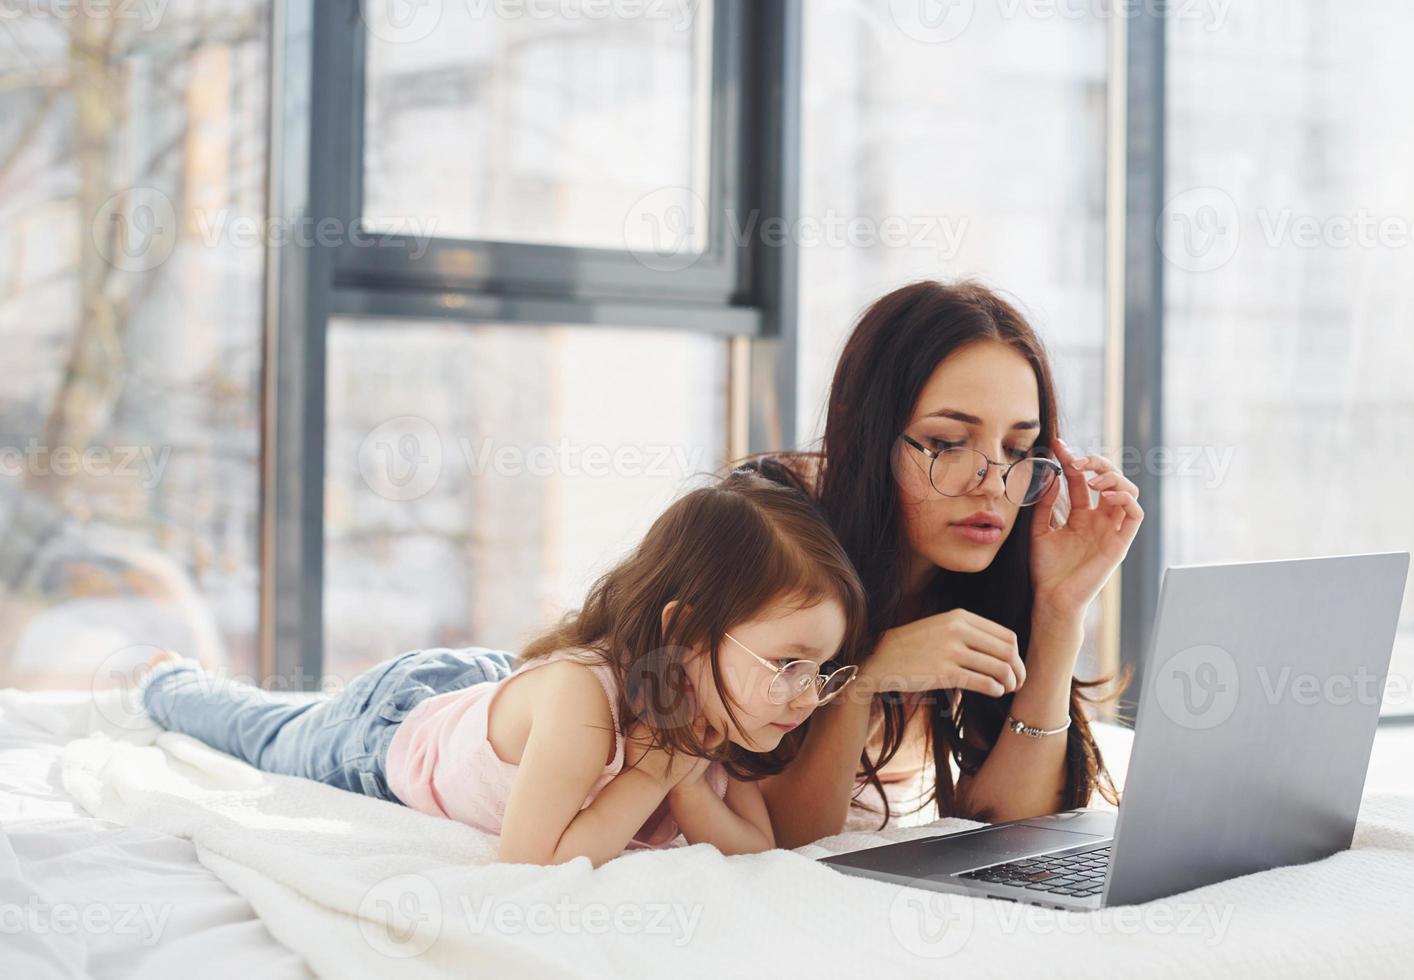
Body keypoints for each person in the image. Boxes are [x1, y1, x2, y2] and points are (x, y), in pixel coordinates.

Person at [140, 470, 867, 866]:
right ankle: (173, 681)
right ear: (686, 633)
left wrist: (687, 791)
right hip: (394, 726)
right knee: (272, 733)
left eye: (822, 668)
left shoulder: (720, 704)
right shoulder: (590, 705)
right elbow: (531, 864)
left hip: (497, 699)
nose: (806, 695)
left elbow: (759, 847)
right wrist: (649, 776)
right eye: (789, 662)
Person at [750, 279, 1144, 845]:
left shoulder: (986, 563)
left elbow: (1007, 825)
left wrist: (1061, 611)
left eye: (1016, 449)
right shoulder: (777, 537)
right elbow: (792, 841)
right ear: (870, 436)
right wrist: (862, 679)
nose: (991, 485)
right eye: (947, 443)